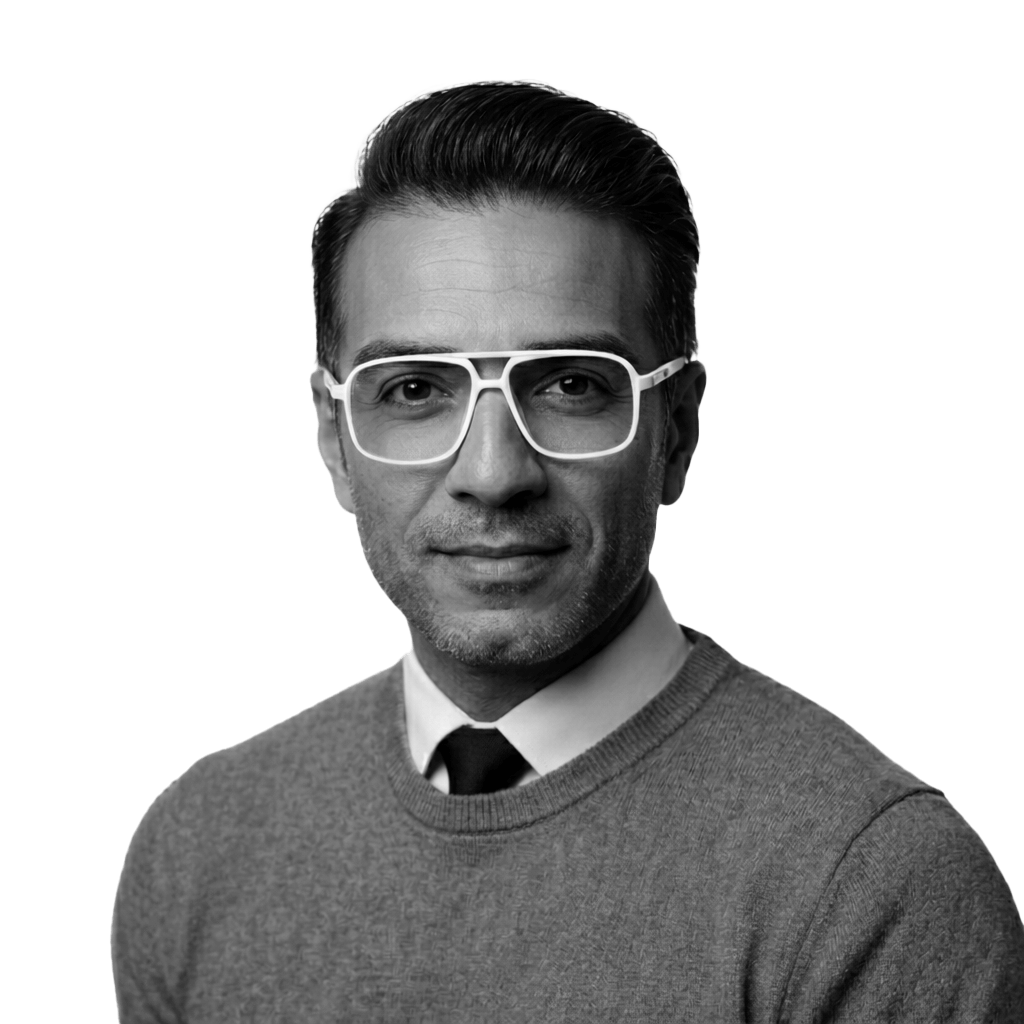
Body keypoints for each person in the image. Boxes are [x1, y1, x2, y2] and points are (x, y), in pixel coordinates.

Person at [112, 80, 1023, 1021]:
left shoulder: (873, 886)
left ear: (678, 431)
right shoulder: (197, 848)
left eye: (572, 384)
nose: (494, 474)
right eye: (416, 389)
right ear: (333, 439)